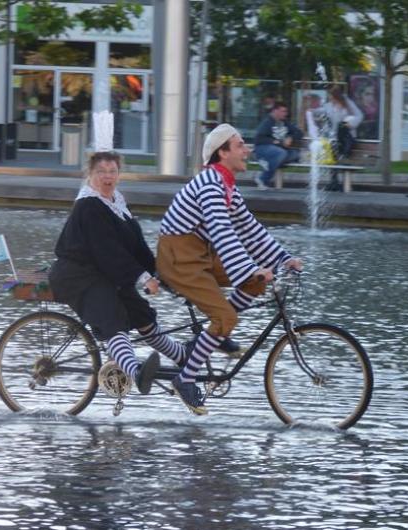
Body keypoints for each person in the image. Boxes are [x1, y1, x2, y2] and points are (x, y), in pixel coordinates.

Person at [157, 123, 303, 415]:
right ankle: (184, 380)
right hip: (178, 257)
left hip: (200, 254)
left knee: (255, 285)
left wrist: (283, 259)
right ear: (222, 153)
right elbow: (223, 233)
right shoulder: (210, 185)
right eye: (239, 146)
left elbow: (250, 230)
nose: (247, 150)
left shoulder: (225, 185)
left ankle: (214, 336)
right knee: (225, 314)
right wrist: (250, 269)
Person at [48, 151, 191, 395]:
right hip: (78, 275)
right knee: (113, 319)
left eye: (112, 171)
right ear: (90, 175)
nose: (107, 177)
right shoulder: (89, 206)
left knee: (143, 316)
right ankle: (136, 373)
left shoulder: (117, 203)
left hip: (106, 274)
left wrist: (163, 276)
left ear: (119, 174)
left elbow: (136, 247)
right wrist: (144, 278)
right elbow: (109, 251)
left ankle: (183, 357)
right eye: (101, 172)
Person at [316, 86, 363, 191]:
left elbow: (359, 116)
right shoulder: (329, 106)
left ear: (336, 96)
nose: (330, 99)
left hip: (347, 138)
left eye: (331, 97)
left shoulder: (348, 104)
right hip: (335, 139)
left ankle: (335, 180)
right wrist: (312, 110)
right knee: (332, 147)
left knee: (341, 127)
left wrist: (349, 123)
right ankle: (334, 181)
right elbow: (321, 111)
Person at [252, 102, 303, 189]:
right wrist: (276, 142)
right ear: (275, 111)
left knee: (295, 154)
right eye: (283, 111)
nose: (285, 114)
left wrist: (290, 138)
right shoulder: (267, 122)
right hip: (263, 148)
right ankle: (262, 178)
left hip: (280, 151)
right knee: (281, 153)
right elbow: (259, 139)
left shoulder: (285, 122)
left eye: (286, 111)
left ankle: (267, 163)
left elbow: (299, 133)